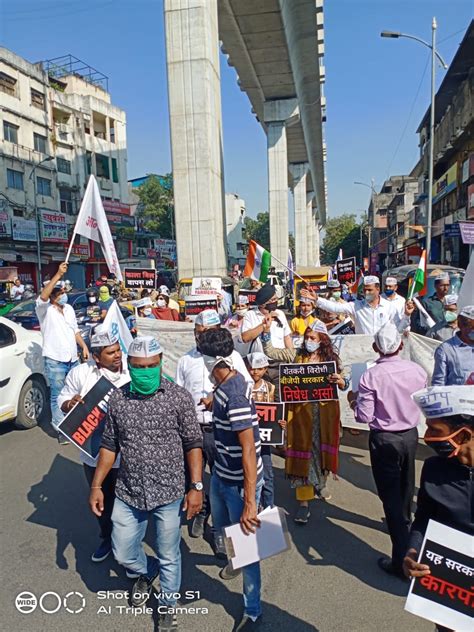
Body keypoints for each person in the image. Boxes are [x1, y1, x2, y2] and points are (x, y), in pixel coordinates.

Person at [89, 336, 203, 632]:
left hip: (169, 491)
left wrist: (196, 487)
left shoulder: (178, 398)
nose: (146, 372)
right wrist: (96, 485)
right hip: (129, 492)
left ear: (161, 363)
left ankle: (167, 605)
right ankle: (145, 569)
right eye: (139, 367)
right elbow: (109, 445)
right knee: (123, 552)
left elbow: (193, 443)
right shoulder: (118, 399)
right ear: (129, 366)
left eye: (152, 366)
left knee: (169, 554)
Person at [348, 322, 427, 578]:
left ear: (375, 348)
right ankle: (407, 535)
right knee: (405, 488)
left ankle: (401, 559)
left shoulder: (371, 376)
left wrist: (353, 400)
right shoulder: (416, 370)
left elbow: (364, 416)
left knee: (391, 497)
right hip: (410, 436)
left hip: (385, 439)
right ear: (400, 346)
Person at [198, 328, 263, 631]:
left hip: (239, 483)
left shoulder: (235, 394)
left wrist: (250, 502)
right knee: (224, 531)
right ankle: (236, 558)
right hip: (221, 475)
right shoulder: (227, 386)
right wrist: (214, 401)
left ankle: (253, 610)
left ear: (215, 362)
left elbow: (248, 448)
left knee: (248, 548)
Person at [176, 308, 252, 551]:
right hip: (195, 429)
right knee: (198, 479)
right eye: (198, 333)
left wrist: (219, 397)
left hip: (225, 433)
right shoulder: (185, 360)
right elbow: (179, 394)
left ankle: (229, 538)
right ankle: (203, 512)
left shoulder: (233, 361)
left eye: (207, 333)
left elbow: (246, 392)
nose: (202, 338)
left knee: (227, 488)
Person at [58, 325, 129, 564]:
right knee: (102, 501)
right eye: (111, 353)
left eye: (118, 350)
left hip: (127, 454)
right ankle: (107, 538)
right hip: (93, 454)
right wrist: (69, 404)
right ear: (97, 357)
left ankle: (128, 545)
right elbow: (62, 397)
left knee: (126, 503)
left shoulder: (132, 371)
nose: (118, 355)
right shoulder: (80, 374)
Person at [403, 386, 474, 604]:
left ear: (463, 435)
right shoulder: (434, 469)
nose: (427, 437)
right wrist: (412, 550)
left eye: (435, 431)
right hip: (451, 591)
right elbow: (424, 517)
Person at [286, 320, 349, 524]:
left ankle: (320, 483)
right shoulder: (299, 357)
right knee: (303, 454)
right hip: (301, 415)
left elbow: (344, 382)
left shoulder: (332, 360)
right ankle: (304, 502)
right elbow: (289, 383)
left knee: (320, 451)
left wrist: (340, 381)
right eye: (306, 337)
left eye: (313, 338)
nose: (308, 341)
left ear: (322, 340)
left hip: (324, 415)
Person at [35, 262, 89, 436]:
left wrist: (84, 346)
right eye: (60, 292)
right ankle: (61, 430)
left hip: (72, 358)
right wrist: (58, 274)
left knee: (75, 391)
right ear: (53, 295)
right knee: (58, 395)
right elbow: (42, 297)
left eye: (64, 291)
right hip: (55, 360)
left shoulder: (70, 309)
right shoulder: (44, 310)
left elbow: (75, 331)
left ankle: (74, 424)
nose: (64, 294)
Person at [304, 275, 414, 335]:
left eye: (370, 290)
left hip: (384, 353)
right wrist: (317, 299)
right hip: (362, 351)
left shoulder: (389, 307)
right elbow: (336, 308)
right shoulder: (356, 306)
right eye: (365, 290)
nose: (366, 293)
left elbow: (399, 330)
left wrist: (407, 315)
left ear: (378, 289)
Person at [246, 351, 286, 510]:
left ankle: (268, 507)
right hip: (246, 439)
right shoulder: (243, 386)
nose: (254, 372)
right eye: (251, 368)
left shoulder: (270, 387)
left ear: (265, 369)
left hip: (264, 441)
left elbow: (276, 410)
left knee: (268, 476)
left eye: (259, 368)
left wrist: (281, 424)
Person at [241, 283, 293, 382]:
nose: (276, 301)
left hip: (279, 363)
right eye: (272, 300)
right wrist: (264, 324)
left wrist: (290, 356)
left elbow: (286, 337)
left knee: (280, 394)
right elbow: (245, 337)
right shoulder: (250, 315)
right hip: (259, 366)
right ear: (263, 303)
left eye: (276, 298)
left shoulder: (280, 314)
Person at [432, 306, 474, 385]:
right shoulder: (446, 350)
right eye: (472, 327)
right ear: (460, 325)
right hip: (458, 396)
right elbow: (438, 385)